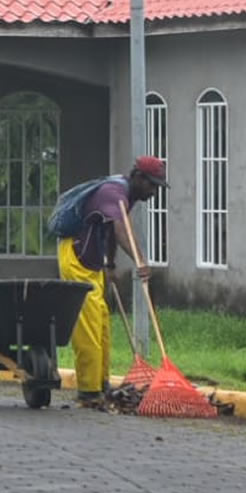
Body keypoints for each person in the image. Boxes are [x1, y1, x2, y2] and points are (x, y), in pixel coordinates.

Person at [54, 156, 167, 408]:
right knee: (89, 323)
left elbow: (109, 230)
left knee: (102, 320)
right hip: (76, 256)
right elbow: (119, 229)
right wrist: (140, 260)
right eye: (152, 185)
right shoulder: (113, 192)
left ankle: (101, 384)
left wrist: (111, 264)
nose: (154, 192)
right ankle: (88, 391)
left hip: (94, 260)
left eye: (158, 186)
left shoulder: (127, 196)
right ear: (138, 178)